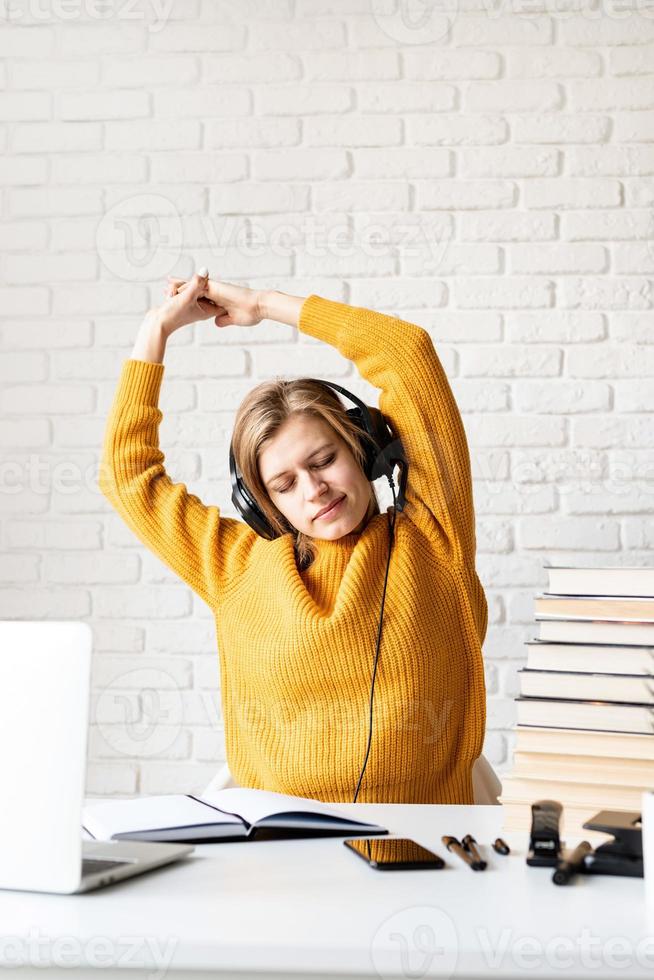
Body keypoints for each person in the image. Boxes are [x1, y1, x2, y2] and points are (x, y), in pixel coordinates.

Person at [98, 271, 488, 804]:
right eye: (284, 484)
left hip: (430, 855)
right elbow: (127, 475)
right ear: (264, 504)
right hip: (280, 860)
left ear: (362, 449)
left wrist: (264, 304)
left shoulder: (433, 537)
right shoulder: (236, 567)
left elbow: (406, 351)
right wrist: (155, 331)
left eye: (325, 460)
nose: (314, 490)